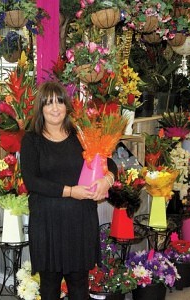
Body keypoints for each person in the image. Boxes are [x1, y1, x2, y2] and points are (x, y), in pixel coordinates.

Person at [20, 81, 117, 300]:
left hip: (79, 221)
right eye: (49, 103)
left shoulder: (81, 136)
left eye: (60, 102)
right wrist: (71, 191)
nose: (55, 108)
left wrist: (108, 180)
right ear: (41, 108)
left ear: (67, 106)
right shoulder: (31, 140)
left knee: (79, 283)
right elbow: (32, 181)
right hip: (47, 222)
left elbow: (108, 162)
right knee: (50, 285)